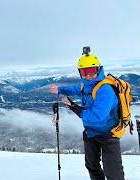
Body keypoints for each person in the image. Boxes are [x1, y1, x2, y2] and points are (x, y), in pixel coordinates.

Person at [49, 47, 125, 180]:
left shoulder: (105, 90)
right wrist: (59, 89)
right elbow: (75, 89)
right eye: (84, 72)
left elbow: (97, 117)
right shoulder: (86, 85)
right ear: (80, 73)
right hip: (90, 132)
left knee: (113, 173)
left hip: (108, 134)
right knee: (92, 166)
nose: (88, 75)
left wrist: (73, 106)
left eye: (91, 71)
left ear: (98, 69)